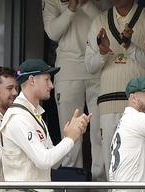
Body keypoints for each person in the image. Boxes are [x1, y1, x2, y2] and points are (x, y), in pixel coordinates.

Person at [0, 59, 89, 192]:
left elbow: (54, 162)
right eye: (47, 79)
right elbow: (44, 160)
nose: (51, 85)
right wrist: (70, 139)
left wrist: (71, 135)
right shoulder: (19, 118)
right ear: (32, 80)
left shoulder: (35, 114)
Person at [84, 0, 145, 180]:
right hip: (108, 103)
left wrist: (130, 47)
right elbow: (89, 66)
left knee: (144, 166)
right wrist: (103, 53)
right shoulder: (99, 21)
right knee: (112, 167)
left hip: (142, 104)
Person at [43, 0, 105, 176]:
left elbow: (106, 24)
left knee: (100, 134)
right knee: (71, 136)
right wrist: (71, 8)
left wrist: (85, 3)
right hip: (68, 70)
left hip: (97, 67)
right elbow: (52, 33)